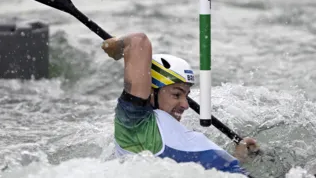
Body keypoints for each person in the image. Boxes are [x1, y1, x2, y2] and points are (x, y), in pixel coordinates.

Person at [102, 32, 258, 175]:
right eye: (176, 94)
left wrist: (239, 157)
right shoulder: (134, 122)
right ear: (149, 91)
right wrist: (117, 47)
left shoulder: (171, 129)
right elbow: (138, 42)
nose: (185, 105)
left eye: (186, 95)